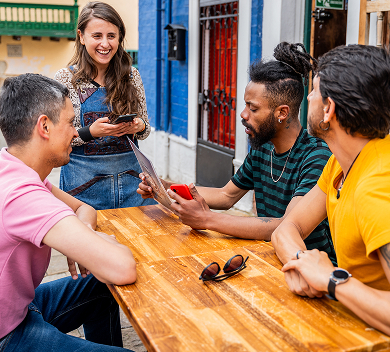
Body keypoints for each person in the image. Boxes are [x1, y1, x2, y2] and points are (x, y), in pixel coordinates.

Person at [0, 74, 148, 352]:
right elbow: (121, 266)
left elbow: (84, 209)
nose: (75, 133)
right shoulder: (20, 195)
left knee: (99, 284)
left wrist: (82, 240)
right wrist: (96, 244)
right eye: (69, 122)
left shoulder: (7, 168)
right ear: (44, 126)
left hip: (18, 309)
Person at [272, 45, 390, 352]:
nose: (309, 98)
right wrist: (302, 263)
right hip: (353, 328)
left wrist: (332, 280)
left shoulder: (381, 188)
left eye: (314, 90)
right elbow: (288, 227)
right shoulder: (342, 165)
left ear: (328, 109)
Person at [138, 43, 335, 262]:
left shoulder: (317, 156)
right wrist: (165, 188)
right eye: (245, 105)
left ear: (282, 112)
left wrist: (207, 220)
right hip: (270, 258)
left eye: (253, 108)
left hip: (310, 268)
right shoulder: (263, 148)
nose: (243, 114)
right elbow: (226, 196)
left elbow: (286, 225)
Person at [54, 1, 154, 210]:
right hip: (83, 188)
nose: (105, 44)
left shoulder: (131, 76)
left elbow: (145, 130)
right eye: (97, 36)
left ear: (119, 38)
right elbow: (58, 138)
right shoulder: (65, 79)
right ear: (81, 36)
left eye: (111, 36)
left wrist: (139, 127)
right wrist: (91, 132)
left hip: (133, 184)